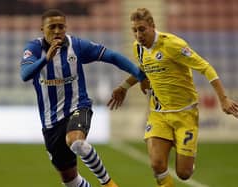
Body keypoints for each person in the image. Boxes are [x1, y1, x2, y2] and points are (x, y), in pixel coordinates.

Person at [107, 8, 238, 187]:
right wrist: (124, 87)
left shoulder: (173, 45)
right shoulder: (138, 48)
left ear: (153, 27)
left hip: (185, 114)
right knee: (157, 164)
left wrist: (223, 98)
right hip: (158, 113)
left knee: (184, 173)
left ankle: (186, 157)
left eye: (142, 29)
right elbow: (143, 70)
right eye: (134, 30)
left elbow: (205, 67)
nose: (138, 34)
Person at [20, 9, 146, 187]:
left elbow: (112, 56)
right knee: (70, 180)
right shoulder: (33, 48)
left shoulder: (77, 46)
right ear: (42, 29)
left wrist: (139, 75)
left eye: (61, 27)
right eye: (52, 27)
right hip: (51, 122)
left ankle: (108, 183)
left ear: (66, 28)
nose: (57, 31)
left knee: (76, 142)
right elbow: (25, 74)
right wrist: (45, 59)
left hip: (78, 107)